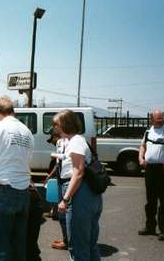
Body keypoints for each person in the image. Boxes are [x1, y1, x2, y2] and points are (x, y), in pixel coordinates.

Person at [0, 96, 34, 260]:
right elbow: (26, 161)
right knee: (18, 245)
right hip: (23, 192)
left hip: (3, 190)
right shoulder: (27, 131)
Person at [54, 110, 102, 261]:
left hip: (79, 196)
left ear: (64, 125)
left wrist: (65, 198)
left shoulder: (75, 141)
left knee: (78, 247)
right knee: (89, 245)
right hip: (89, 195)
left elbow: (78, 172)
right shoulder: (77, 141)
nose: (55, 129)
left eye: (56, 125)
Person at [138, 109, 164, 240]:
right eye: (158, 119)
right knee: (150, 200)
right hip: (150, 169)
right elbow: (143, 146)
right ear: (152, 119)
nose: (161, 121)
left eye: (162, 118)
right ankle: (150, 227)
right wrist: (141, 158)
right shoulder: (148, 131)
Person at [43, 129, 69, 250]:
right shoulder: (62, 144)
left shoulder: (64, 144)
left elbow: (61, 162)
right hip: (61, 181)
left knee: (63, 213)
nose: (52, 142)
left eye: (52, 139)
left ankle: (67, 241)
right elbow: (58, 164)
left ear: (56, 136)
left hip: (66, 183)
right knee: (62, 213)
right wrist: (50, 176)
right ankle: (66, 238)